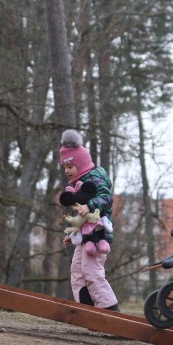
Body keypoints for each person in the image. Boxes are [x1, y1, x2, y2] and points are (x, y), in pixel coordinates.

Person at [59, 129, 119, 312]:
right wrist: (74, 234)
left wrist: (90, 205)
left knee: (92, 271)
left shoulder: (95, 178)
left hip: (98, 236)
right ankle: (86, 309)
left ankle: (110, 310)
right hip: (84, 236)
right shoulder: (79, 181)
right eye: (64, 167)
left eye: (70, 166)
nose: (66, 170)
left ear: (81, 163)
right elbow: (80, 216)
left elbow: (107, 198)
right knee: (77, 271)